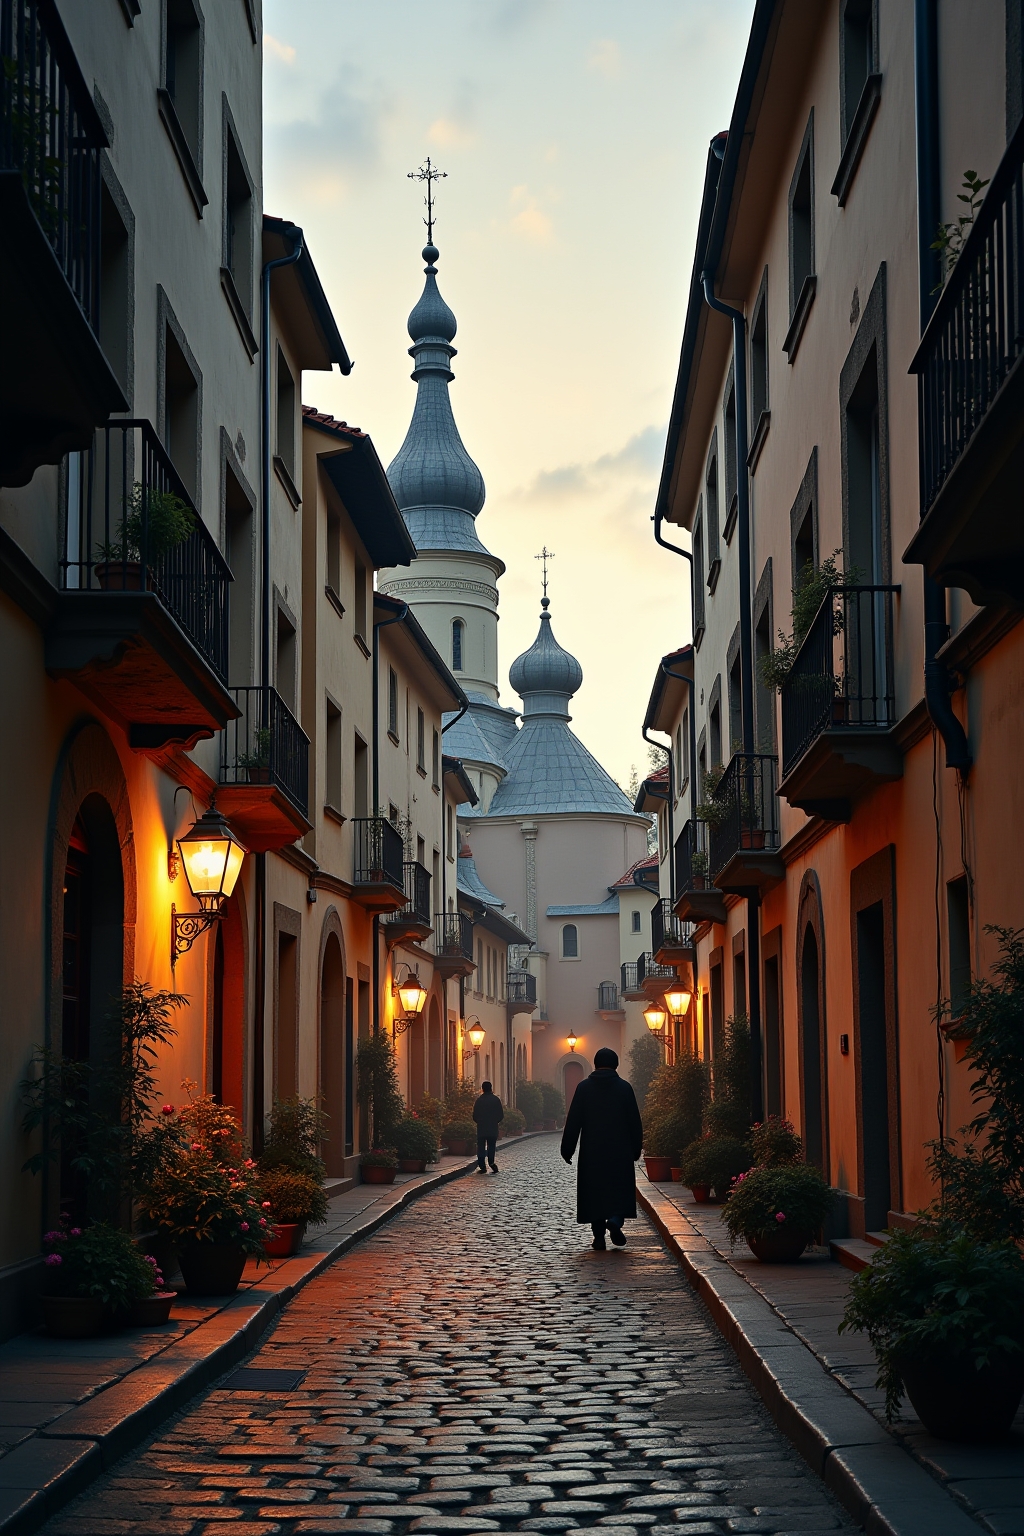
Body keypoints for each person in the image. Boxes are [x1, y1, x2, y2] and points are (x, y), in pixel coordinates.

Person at [560, 1046, 643, 1249]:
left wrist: (567, 1148)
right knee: (619, 1189)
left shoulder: (584, 1088)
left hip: (592, 1151)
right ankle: (615, 1220)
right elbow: (635, 1121)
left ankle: (598, 1237)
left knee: (594, 1192)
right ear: (616, 1065)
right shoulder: (624, 1088)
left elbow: (574, 1121)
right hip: (619, 1150)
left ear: (595, 1065)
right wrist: (636, 1148)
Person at [472, 1080, 504, 1173]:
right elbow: (500, 1115)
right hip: (492, 1127)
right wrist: (495, 1122)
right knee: (491, 1146)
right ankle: (491, 1163)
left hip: (481, 1127)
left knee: (481, 1146)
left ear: (482, 1089)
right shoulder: (496, 1100)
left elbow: (475, 1115)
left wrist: (479, 1122)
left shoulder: (479, 1100)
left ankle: (482, 1166)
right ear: (491, 1088)